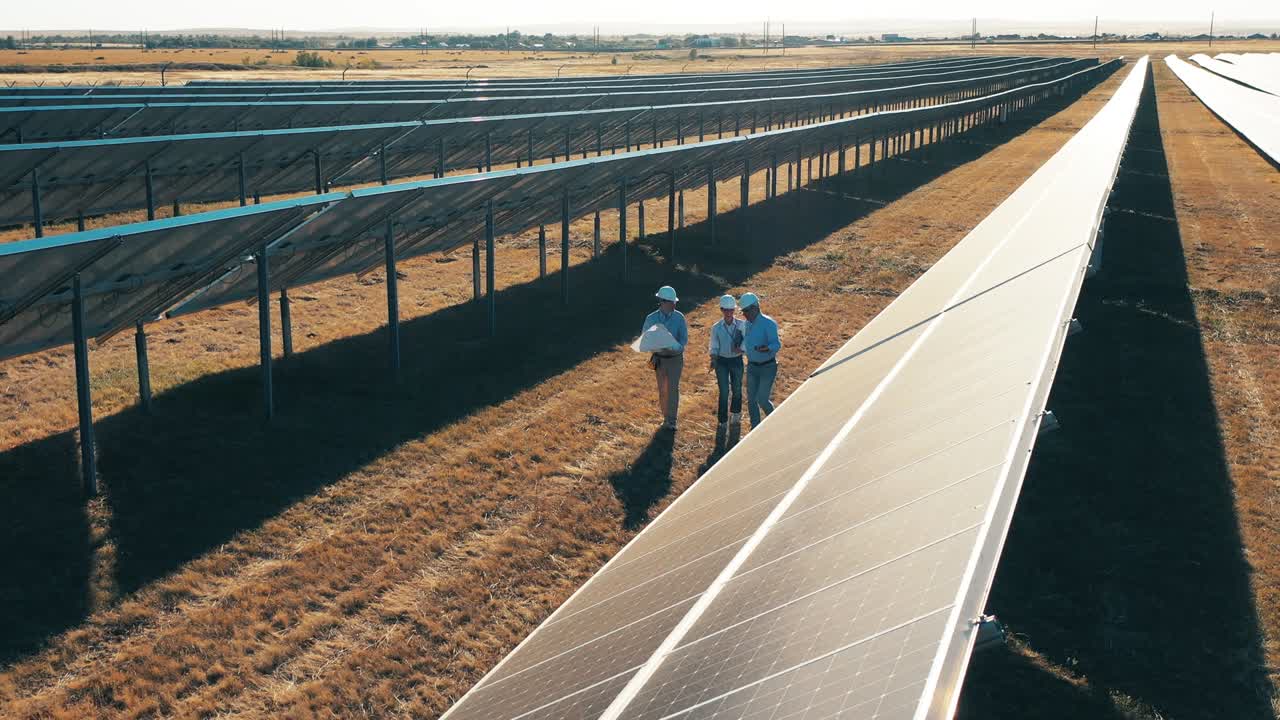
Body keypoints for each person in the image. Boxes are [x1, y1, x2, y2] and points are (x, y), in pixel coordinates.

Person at [641, 286, 688, 430]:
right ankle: (666, 418)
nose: (674, 304)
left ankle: (671, 420)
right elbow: (645, 340)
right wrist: (659, 347)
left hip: (675, 359)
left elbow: (684, 340)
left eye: (675, 302)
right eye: (672, 302)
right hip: (659, 359)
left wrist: (675, 347)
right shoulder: (651, 319)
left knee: (673, 389)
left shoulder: (679, 317)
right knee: (662, 390)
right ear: (662, 302)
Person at [739, 292, 781, 429]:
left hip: (767, 367)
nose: (744, 314)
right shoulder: (746, 324)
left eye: (746, 311)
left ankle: (775, 424)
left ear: (755, 308)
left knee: (762, 399)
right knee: (751, 400)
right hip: (752, 367)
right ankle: (755, 428)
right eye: (743, 311)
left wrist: (767, 348)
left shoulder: (768, 323)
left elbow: (776, 344)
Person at [707, 294, 746, 432]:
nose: (729, 312)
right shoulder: (716, 327)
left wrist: (741, 349)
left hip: (736, 360)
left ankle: (736, 414)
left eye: (731, 309)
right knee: (723, 391)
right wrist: (713, 358)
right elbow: (714, 345)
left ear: (734, 310)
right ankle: (722, 420)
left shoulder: (742, 325)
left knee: (737, 389)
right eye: (726, 310)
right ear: (721, 310)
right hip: (721, 361)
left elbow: (747, 341)